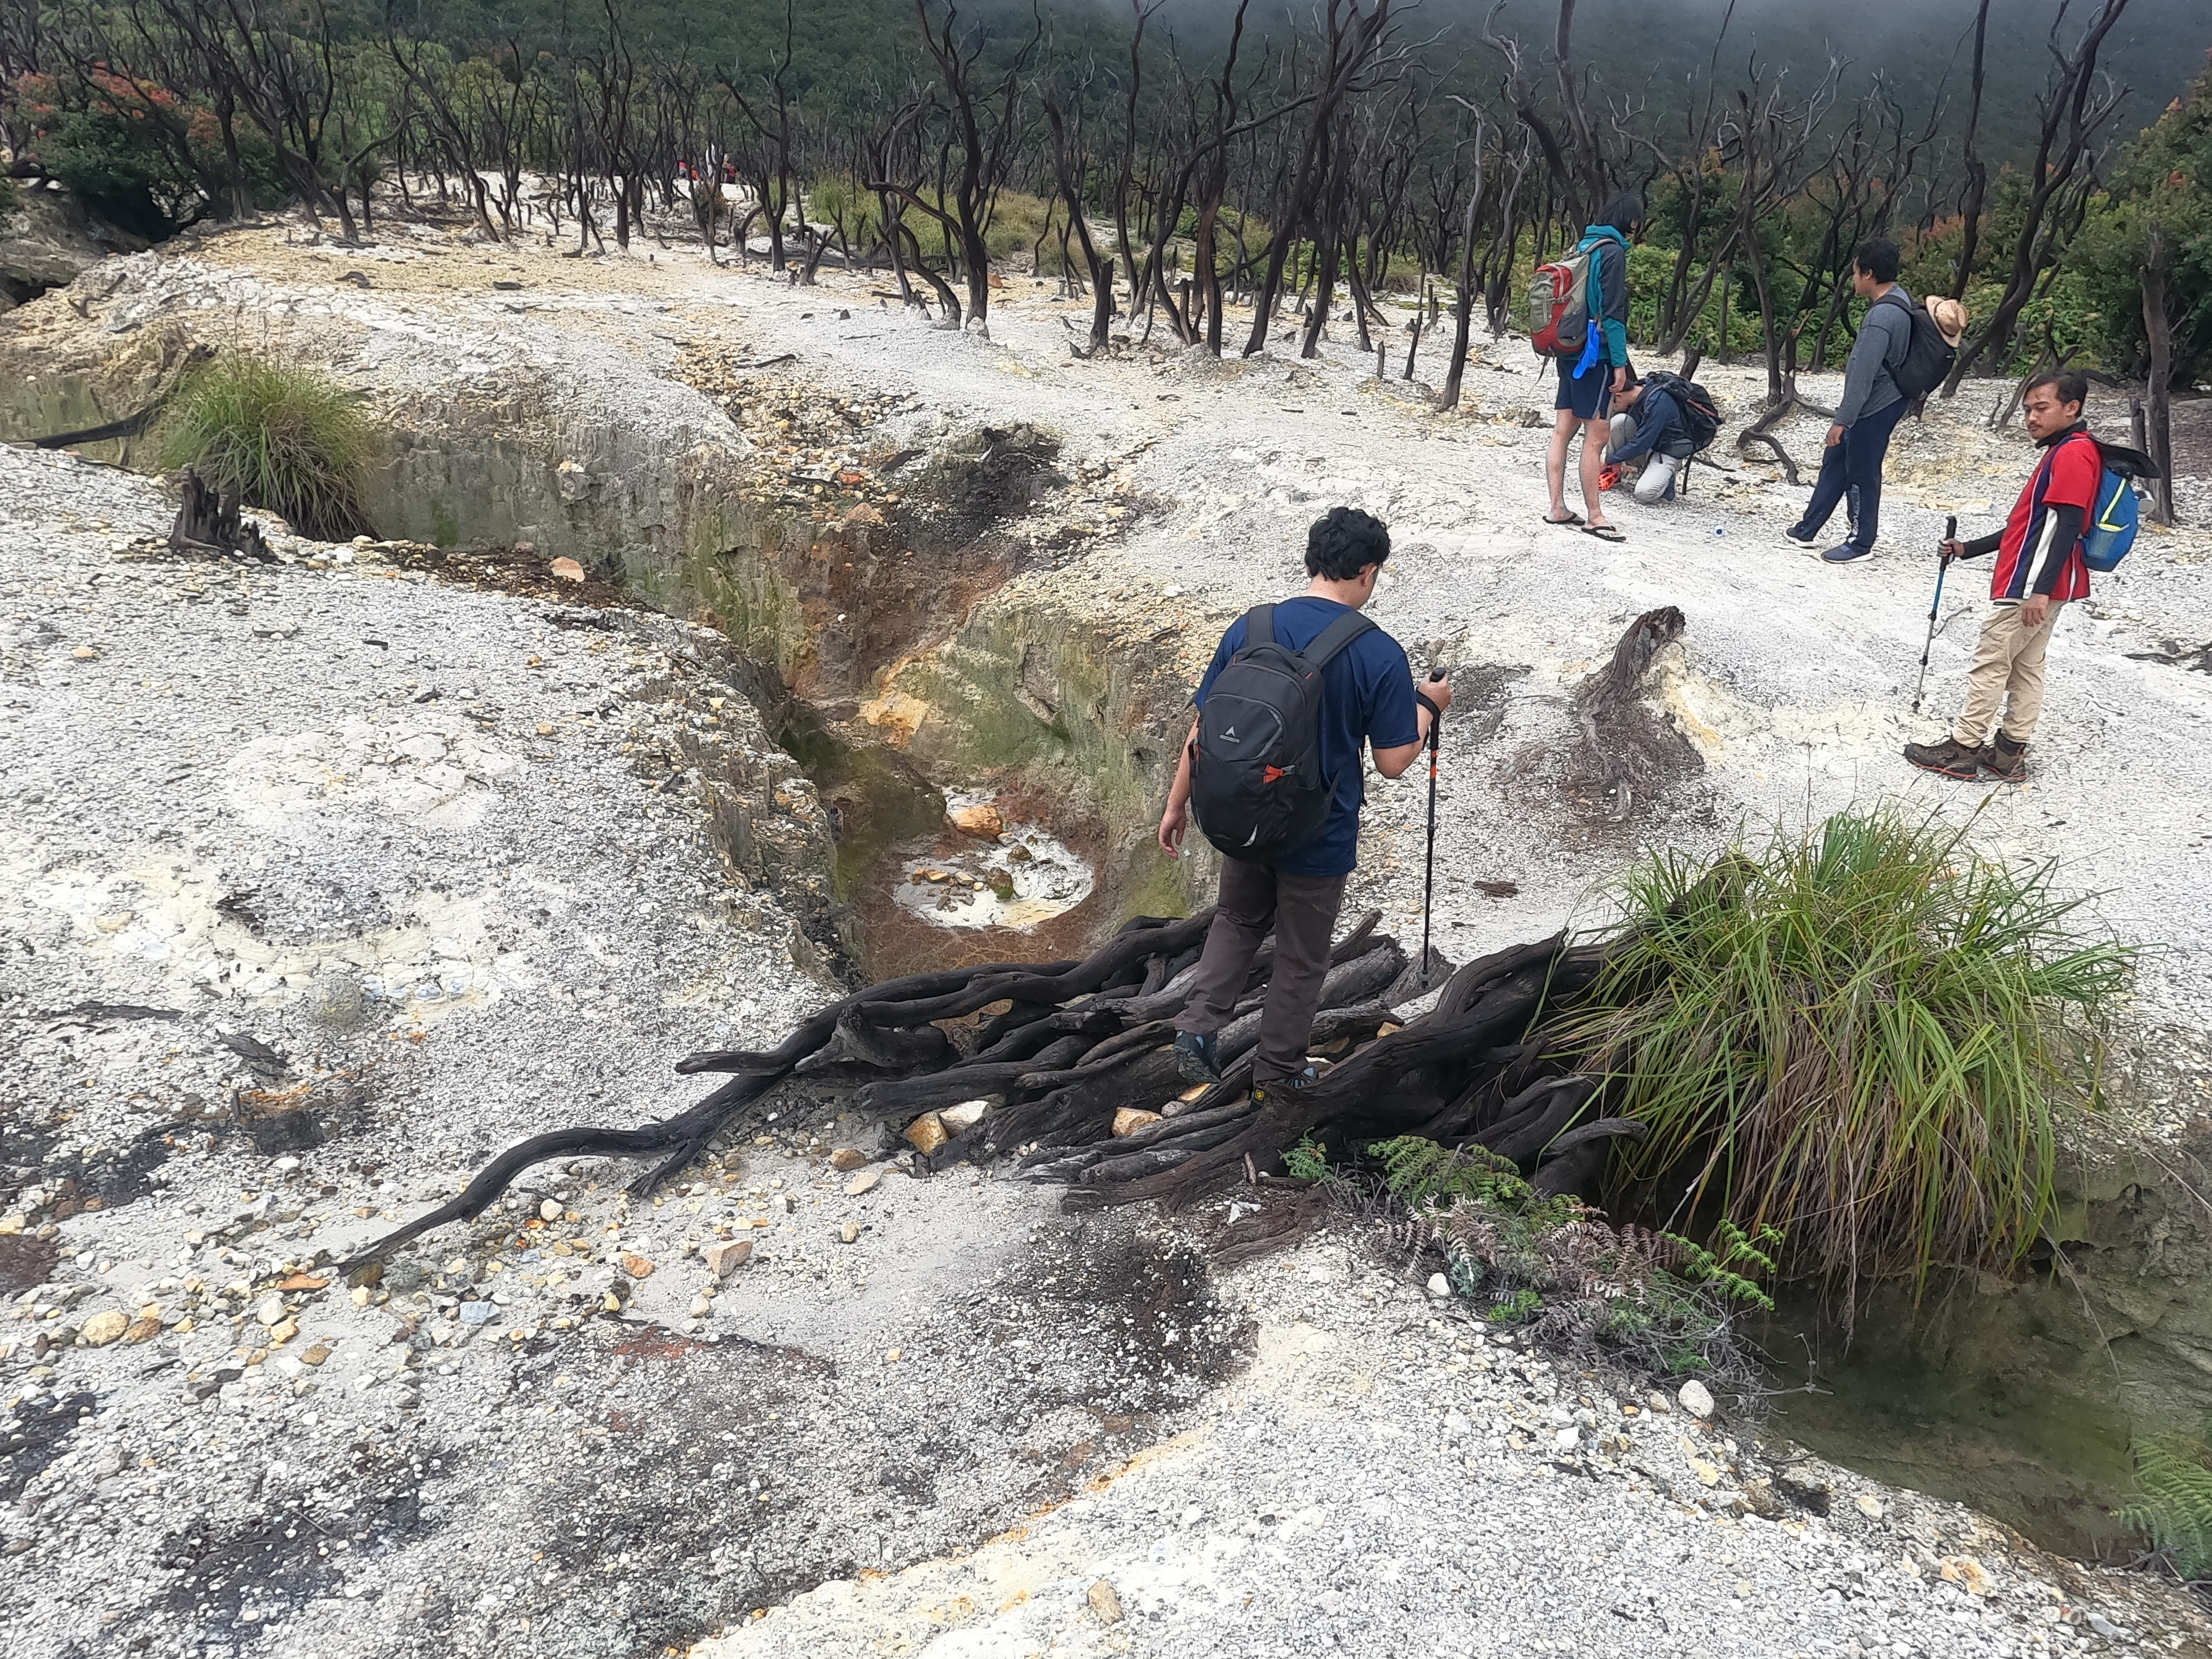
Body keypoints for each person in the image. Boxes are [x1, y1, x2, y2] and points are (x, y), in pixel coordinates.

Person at [1157, 507, 1451, 1104]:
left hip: (1244, 811)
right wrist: (1429, 704)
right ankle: (1279, 1071)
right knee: (1299, 956)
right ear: (1368, 572)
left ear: (1313, 560)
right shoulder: (1378, 653)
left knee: (1237, 920)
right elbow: (1394, 762)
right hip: (1320, 831)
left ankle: (1197, 1025)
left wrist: (1175, 807)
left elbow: (1202, 731)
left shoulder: (1252, 627)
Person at [1903, 369, 2100, 784]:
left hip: (2031, 587)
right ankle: (2009, 753)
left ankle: (1964, 748)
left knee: (1991, 661)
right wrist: (1969, 548)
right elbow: (2027, 525)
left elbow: (2066, 526)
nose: (2031, 417)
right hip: (2048, 585)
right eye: (2028, 409)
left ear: (2072, 408)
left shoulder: (2071, 454)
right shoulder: (2066, 450)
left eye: (2041, 408)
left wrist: (2040, 592)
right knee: (2027, 665)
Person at [1783, 238, 1915, 564]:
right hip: (1887, 399)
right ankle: (1808, 528)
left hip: (1875, 406)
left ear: (1868, 274)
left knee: (1861, 471)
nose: (1854, 278)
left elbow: (1862, 375)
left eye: (1856, 272)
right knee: (1836, 462)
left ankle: (1860, 542)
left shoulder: (1881, 318)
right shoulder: (1902, 301)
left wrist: (1842, 420)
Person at [1545, 195, 1644, 544]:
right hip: (1594, 355)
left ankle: (1557, 506)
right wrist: (1620, 363)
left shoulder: (1583, 245)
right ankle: (1595, 516)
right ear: (1630, 222)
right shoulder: (1613, 253)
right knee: (1597, 435)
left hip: (1567, 348)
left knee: (1563, 429)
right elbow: (1613, 314)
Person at [1604, 372, 1697, 503]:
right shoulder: (1642, 387)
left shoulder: (1659, 402)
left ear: (1618, 396)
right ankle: (1613, 475)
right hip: (1650, 445)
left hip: (1667, 451)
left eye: (1611, 405)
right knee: (1618, 421)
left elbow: (1641, 444)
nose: (1611, 409)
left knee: (1644, 494)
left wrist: (1608, 460)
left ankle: (1667, 479)